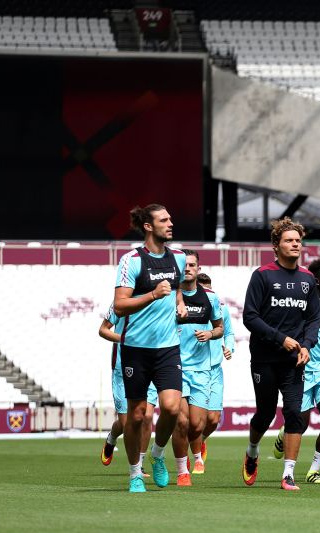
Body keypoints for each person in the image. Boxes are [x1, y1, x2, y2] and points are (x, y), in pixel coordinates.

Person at [113, 204, 188, 493]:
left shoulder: (179, 258)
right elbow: (120, 305)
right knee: (137, 414)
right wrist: (153, 295)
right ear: (148, 226)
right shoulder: (131, 260)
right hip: (135, 349)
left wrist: (179, 303)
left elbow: (177, 289)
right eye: (164, 220)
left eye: (170, 218)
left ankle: (157, 454)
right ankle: (134, 473)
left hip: (168, 347)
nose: (171, 223)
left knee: (170, 409)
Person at [241, 218, 320, 491]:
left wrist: (306, 345)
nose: (295, 244)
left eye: (298, 240)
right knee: (264, 414)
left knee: (294, 413)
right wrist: (280, 339)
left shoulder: (308, 279)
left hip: (293, 360)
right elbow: (250, 317)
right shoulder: (262, 275)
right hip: (264, 357)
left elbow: (313, 319)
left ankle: (288, 474)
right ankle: (252, 451)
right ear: (276, 246)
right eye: (289, 240)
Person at [270, 258, 320, 484]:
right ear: (315, 280)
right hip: (301, 368)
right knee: (299, 424)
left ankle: (314, 470)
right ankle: (285, 434)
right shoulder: (300, 303)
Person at [172, 250, 224, 486]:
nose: (188, 269)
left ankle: (171, 451)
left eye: (192, 265)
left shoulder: (210, 298)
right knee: (181, 422)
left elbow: (220, 328)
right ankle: (183, 470)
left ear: (198, 268)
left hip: (202, 370)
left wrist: (210, 334)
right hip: (174, 365)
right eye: (184, 265)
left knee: (197, 425)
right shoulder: (171, 296)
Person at [98, 306, 153, 476]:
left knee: (147, 417)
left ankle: (139, 465)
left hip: (150, 365)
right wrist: (125, 339)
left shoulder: (157, 300)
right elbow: (103, 330)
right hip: (123, 369)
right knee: (126, 423)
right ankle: (112, 438)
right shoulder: (120, 303)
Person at [189, 272, 235, 472]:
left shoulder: (220, 308)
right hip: (194, 367)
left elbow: (229, 332)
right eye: (204, 289)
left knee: (213, 419)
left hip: (215, 369)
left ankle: (200, 441)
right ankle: (196, 457)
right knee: (195, 421)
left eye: (210, 289)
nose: (208, 293)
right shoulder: (190, 307)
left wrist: (229, 347)